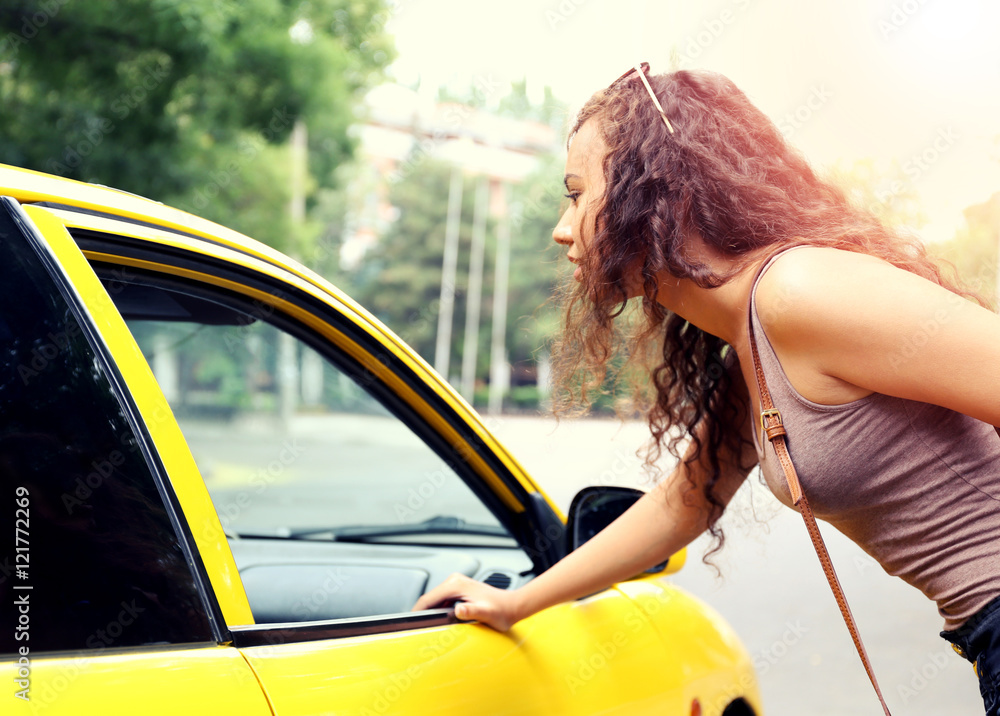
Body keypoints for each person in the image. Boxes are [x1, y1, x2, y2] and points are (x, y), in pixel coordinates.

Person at [413, 65, 1000, 714]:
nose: (561, 228)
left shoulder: (801, 292)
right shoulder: (755, 345)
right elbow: (681, 506)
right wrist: (516, 602)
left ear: (653, 192)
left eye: (576, 195)